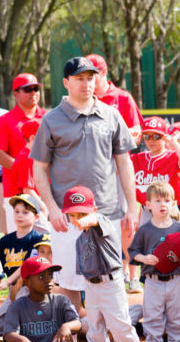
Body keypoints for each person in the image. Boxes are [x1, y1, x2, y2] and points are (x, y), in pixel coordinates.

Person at [31, 57, 139, 314]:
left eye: (90, 77)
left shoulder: (111, 115)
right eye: (80, 78)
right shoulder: (51, 120)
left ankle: (117, 341)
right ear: (66, 82)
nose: (86, 83)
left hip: (106, 213)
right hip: (66, 217)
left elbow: (124, 163)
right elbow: (39, 169)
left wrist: (132, 207)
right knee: (68, 281)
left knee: (111, 279)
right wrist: (53, 209)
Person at [63, 185, 154, 342]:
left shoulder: (103, 224)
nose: (77, 219)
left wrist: (88, 219)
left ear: (93, 210)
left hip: (110, 283)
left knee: (120, 325)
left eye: (81, 214)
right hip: (92, 285)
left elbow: (96, 220)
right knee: (95, 328)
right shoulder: (80, 240)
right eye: (72, 215)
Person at [129, 182, 180, 342]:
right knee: (153, 316)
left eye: (167, 200)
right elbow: (133, 252)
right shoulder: (145, 230)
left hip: (176, 279)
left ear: (173, 203)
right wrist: (144, 258)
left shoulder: (179, 228)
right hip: (152, 281)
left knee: (178, 315)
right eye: (157, 200)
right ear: (147, 205)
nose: (162, 204)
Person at [5, 256, 85, 342]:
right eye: (41, 277)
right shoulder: (18, 306)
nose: (48, 280)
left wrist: (67, 326)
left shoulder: (61, 300)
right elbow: (8, 334)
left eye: (50, 275)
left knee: (66, 340)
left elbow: (78, 324)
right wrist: (22, 339)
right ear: (27, 282)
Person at [0, 73, 46, 231]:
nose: (33, 92)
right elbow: (0, 153)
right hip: (16, 193)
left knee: (47, 244)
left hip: (45, 191)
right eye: (27, 89)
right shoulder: (5, 120)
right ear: (15, 94)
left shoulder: (48, 117)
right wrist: (24, 171)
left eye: (35, 88)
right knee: (19, 244)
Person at [86, 53, 142, 145]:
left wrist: (112, 138)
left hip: (118, 158)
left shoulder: (124, 97)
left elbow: (137, 134)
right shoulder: (84, 99)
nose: (87, 80)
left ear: (103, 72)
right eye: (83, 76)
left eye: (91, 75)